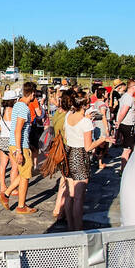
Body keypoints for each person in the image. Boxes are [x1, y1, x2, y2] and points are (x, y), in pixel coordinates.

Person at [52, 86, 101, 232]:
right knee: (79, 197)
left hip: (69, 152)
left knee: (69, 193)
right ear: (85, 106)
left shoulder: (68, 116)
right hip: (80, 155)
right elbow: (88, 147)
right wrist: (103, 139)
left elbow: (66, 136)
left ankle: (70, 225)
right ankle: (78, 227)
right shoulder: (86, 123)